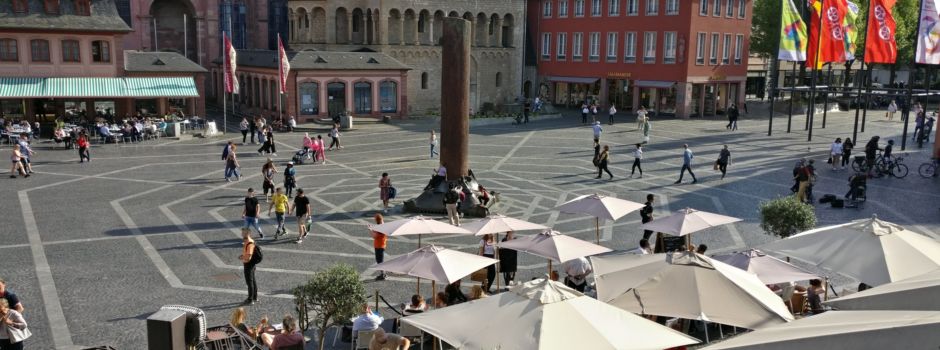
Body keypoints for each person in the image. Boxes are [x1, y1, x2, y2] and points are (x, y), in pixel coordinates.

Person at [239, 228, 260, 305]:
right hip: (250, 264)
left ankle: (250, 299)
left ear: (248, 234)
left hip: (249, 264)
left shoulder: (250, 243)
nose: (242, 234)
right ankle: (255, 297)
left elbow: (249, 257)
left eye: (243, 233)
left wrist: (242, 257)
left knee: (249, 282)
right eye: (242, 233)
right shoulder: (248, 241)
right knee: (253, 281)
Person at [370, 214, 388, 280]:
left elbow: (374, 236)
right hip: (382, 245)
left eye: (375, 219)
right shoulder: (383, 226)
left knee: (379, 261)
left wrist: (370, 229)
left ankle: (383, 274)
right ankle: (383, 273)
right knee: (381, 260)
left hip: (379, 246)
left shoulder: (380, 229)